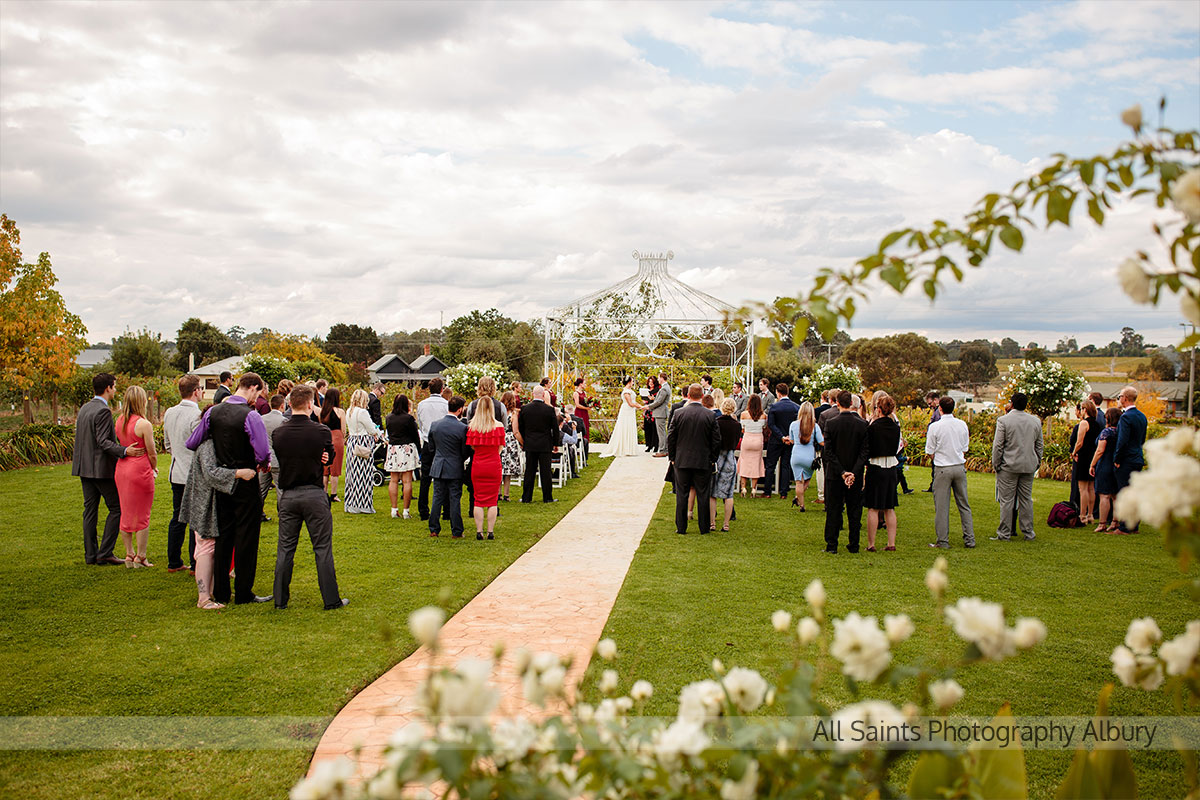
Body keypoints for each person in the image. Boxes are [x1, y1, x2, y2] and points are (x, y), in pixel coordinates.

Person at [186, 372, 273, 605]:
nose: (257, 398)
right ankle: (243, 592)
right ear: (253, 388)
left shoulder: (212, 412)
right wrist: (263, 464)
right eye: (259, 393)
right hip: (245, 479)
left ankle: (222, 591)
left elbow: (193, 441)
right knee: (247, 537)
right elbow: (263, 452)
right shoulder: (251, 415)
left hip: (222, 483)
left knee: (224, 535)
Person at [269, 384, 347, 610]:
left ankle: (280, 600)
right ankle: (331, 599)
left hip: (288, 495)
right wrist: (323, 456)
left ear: (289, 404)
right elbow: (329, 454)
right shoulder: (320, 431)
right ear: (310, 404)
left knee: (285, 548)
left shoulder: (279, 433)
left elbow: (288, 456)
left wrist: (324, 455)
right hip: (313, 492)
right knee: (322, 548)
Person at [72, 372, 145, 566]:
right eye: (114, 386)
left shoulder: (85, 408)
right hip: (101, 469)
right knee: (116, 508)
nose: (115, 390)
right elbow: (103, 441)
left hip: (84, 467)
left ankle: (91, 555)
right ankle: (105, 552)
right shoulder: (103, 411)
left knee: (90, 511)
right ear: (108, 388)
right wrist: (124, 451)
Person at [179, 437, 259, 609]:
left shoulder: (209, 443)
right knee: (205, 549)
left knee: (209, 547)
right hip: (204, 503)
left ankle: (211, 592)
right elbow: (210, 473)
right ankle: (203, 598)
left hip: (206, 501)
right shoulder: (207, 445)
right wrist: (238, 473)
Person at [989, 391, 1043, 542]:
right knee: (1026, 499)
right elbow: (1039, 445)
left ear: (1012, 404)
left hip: (1009, 465)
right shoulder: (1035, 421)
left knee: (1007, 501)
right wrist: (1037, 461)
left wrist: (996, 464)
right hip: (1028, 465)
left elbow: (998, 445)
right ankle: (1028, 532)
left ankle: (1004, 533)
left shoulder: (1004, 421)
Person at [114, 385, 158, 568]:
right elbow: (152, 452)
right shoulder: (144, 424)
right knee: (142, 513)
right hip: (140, 471)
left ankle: (129, 553)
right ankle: (141, 556)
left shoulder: (119, 421)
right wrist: (154, 468)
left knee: (126, 512)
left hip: (122, 469)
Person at [668, 384, 721, 535]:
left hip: (682, 460)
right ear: (702, 396)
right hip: (703, 460)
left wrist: (673, 457)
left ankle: (681, 527)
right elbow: (716, 440)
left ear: (689, 396)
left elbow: (671, 437)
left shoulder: (679, 413)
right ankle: (704, 528)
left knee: (682, 494)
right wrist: (713, 458)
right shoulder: (709, 415)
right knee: (703, 494)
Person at [163, 374, 203, 573]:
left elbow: (167, 444)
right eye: (201, 388)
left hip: (176, 470)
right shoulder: (197, 415)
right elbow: (200, 445)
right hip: (191, 473)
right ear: (196, 391)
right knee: (195, 519)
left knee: (178, 516)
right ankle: (195, 564)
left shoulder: (169, 412)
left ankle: (174, 561)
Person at [823, 391, 869, 554]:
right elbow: (864, 452)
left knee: (834, 509)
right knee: (854, 510)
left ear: (837, 403)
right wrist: (853, 472)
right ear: (851, 403)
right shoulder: (863, 424)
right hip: (854, 473)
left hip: (835, 474)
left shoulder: (831, 423)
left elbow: (828, 452)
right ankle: (854, 544)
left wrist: (843, 472)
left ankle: (832, 544)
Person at [926, 396, 975, 549]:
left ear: (940, 408)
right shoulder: (962, 424)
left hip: (943, 468)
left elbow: (930, 451)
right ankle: (970, 539)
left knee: (942, 506)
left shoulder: (935, 427)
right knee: (964, 505)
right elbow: (965, 448)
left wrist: (937, 459)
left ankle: (943, 541)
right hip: (959, 466)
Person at [428, 396, 470, 538]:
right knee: (455, 499)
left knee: (437, 498)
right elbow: (465, 450)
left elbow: (431, 447)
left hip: (439, 465)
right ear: (460, 410)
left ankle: (434, 528)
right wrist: (458, 459)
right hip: (455, 466)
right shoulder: (462, 428)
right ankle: (456, 530)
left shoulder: (435, 425)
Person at [864, 393, 901, 552]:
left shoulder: (873, 427)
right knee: (889, 507)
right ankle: (891, 543)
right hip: (891, 467)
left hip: (876, 466)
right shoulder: (896, 428)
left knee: (873, 507)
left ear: (878, 409)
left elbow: (867, 447)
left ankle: (871, 544)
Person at [466, 396, 506, 540]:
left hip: (478, 465)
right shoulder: (499, 426)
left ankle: (479, 531)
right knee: (492, 500)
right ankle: (490, 531)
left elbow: (472, 446)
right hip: (493, 464)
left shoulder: (473, 426)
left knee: (478, 499)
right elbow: (500, 447)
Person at [1113, 386, 1148, 534]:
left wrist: (1117, 458)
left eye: (1119, 396)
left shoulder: (1126, 417)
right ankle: (1134, 525)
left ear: (1125, 398)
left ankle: (1124, 526)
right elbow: (1142, 439)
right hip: (1137, 457)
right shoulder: (1142, 416)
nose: (1119, 399)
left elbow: (1122, 441)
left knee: (1124, 492)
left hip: (1126, 459)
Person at [517, 386, 560, 503]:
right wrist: (556, 443)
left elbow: (521, 427)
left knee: (529, 471)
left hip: (530, 443)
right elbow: (555, 429)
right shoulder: (549, 410)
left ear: (532, 394)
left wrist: (523, 441)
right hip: (545, 444)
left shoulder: (525, 409)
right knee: (546, 472)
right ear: (543, 395)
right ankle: (547, 497)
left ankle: (526, 497)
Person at [343, 388, 383, 514]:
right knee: (363, 475)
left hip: (352, 442)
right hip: (363, 443)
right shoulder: (362, 412)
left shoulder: (349, 411)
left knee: (353, 474)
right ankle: (362, 504)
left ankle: (351, 503)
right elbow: (371, 429)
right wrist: (378, 433)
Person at [416, 378, 450, 521]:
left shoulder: (421, 405)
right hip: (442, 443)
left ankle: (423, 509)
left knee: (425, 478)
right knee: (445, 477)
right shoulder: (446, 405)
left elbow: (420, 423)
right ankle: (446, 510)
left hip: (427, 442)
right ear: (442, 389)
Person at [385, 394, 420, 519]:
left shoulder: (388, 418)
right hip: (406, 449)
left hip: (393, 449)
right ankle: (406, 511)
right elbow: (415, 435)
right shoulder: (409, 419)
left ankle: (394, 509)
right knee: (407, 480)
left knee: (393, 480)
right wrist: (419, 449)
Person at [763, 383, 799, 499]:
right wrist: (789, 437)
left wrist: (781, 436)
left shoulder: (774, 407)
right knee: (785, 465)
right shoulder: (796, 407)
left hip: (776, 440)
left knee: (770, 466)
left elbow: (771, 424)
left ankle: (767, 492)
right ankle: (784, 492)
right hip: (790, 440)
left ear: (778, 393)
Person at [709, 398, 741, 531]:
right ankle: (726, 524)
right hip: (730, 459)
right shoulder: (737, 425)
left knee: (712, 493)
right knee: (729, 494)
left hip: (717, 459)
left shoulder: (716, 422)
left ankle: (712, 523)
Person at [1070, 399, 1102, 526]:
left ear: (1085, 410)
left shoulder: (1084, 423)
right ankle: (1090, 514)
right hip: (1092, 456)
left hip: (1083, 457)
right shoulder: (1097, 424)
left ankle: (1082, 515)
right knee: (1091, 488)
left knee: (1082, 488)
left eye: (1082, 409)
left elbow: (1079, 442)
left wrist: (1074, 452)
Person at [256, 394, 287, 522]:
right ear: (282, 405)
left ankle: (256, 513)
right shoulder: (284, 421)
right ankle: (283, 515)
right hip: (278, 459)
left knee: (261, 489)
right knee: (280, 489)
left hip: (264, 459)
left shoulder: (261, 419)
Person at [1090, 407, 1122, 532]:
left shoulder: (1106, 432)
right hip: (1116, 464)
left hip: (1105, 464)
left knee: (1104, 495)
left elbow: (1100, 450)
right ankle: (1115, 521)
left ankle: (1102, 523)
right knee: (1115, 496)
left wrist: (1092, 464)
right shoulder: (1120, 432)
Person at [787, 401, 823, 511]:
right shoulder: (815, 426)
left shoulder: (793, 424)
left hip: (796, 455)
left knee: (798, 481)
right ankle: (797, 498)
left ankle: (801, 505)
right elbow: (821, 442)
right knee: (806, 480)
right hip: (809, 456)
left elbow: (792, 441)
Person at [604, 375, 643, 457]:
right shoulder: (626, 392)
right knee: (625, 426)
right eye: (632, 381)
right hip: (626, 411)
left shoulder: (629, 390)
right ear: (629, 382)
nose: (633, 383)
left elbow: (633, 402)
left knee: (630, 426)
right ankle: (625, 448)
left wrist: (640, 405)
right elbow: (630, 403)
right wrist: (640, 406)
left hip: (630, 411)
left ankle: (629, 448)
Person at [320, 388, 345, 502]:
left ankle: (324, 492)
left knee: (325, 468)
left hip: (325, 438)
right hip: (337, 437)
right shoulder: (340, 411)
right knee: (335, 468)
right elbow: (343, 429)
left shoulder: (323, 411)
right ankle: (333, 494)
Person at [738, 393, 766, 496]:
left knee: (744, 462)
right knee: (756, 463)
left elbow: (742, 429)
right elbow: (764, 428)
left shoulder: (744, 414)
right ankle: (754, 488)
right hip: (758, 440)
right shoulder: (763, 415)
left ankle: (743, 487)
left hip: (747, 439)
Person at [499, 391, 521, 502]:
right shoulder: (513, 414)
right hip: (509, 440)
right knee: (508, 470)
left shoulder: (499, 412)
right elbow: (515, 431)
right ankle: (506, 494)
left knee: (499, 468)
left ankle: (498, 493)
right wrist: (522, 442)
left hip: (499, 439)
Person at [646, 373, 671, 457]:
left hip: (660, 413)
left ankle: (662, 450)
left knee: (661, 433)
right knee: (662, 432)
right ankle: (665, 449)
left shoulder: (664, 388)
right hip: (661, 412)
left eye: (659, 378)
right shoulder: (666, 387)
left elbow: (659, 401)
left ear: (662, 378)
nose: (658, 380)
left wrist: (648, 406)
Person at [922, 390, 942, 492]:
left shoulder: (938, 413)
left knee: (936, 467)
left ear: (936, 400)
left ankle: (935, 486)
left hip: (937, 443)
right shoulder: (936, 411)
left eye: (930, 403)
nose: (930, 406)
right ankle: (933, 485)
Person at [643, 376, 660, 452]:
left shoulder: (658, 390)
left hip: (654, 411)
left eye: (652, 382)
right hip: (647, 411)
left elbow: (658, 401)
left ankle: (656, 445)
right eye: (649, 382)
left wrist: (653, 399)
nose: (651, 383)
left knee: (654, 428)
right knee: (647, 428)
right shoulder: (647, 390)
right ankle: (649, 445)